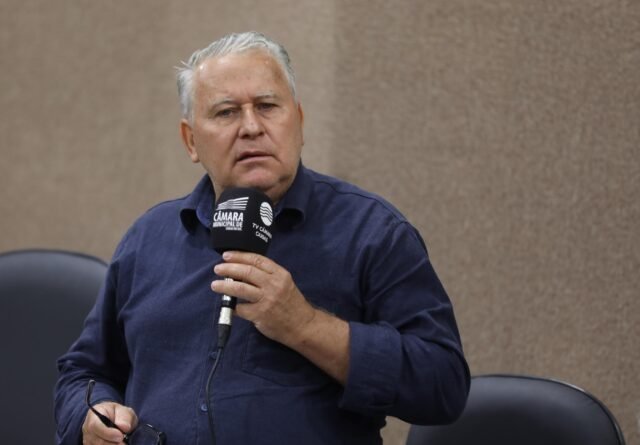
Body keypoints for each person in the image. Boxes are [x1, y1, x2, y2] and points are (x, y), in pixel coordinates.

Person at [55, 31, 469, 445]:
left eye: (268, 107)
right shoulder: (149, 238)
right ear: (191, 141)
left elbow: (442, 385)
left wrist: (305, 325)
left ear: (299, 122)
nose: (252, 127)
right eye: (226, 112)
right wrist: (92, 417)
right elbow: (84, 372)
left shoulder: (372, 233)